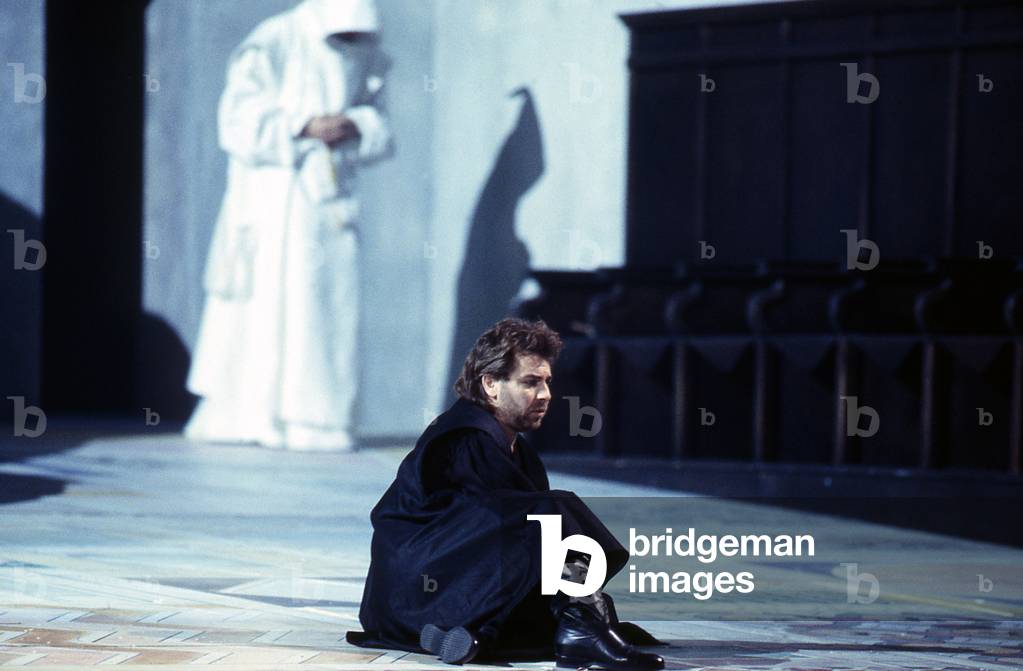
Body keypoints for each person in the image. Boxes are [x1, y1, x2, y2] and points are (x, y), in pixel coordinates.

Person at [347, 319, 665, 670]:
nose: (545, 394)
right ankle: (568, 627)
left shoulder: (517, 450)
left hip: (446, 581)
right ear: (490, 385)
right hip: (414, 591)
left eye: (546, 382)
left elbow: (519, 554)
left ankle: (498, 633)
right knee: (555, 512)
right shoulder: (466, 440)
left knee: (552, 537)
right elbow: (499, 543)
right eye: (530, 383)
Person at [185, 0, 392, 451]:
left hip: (331, 202)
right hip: (274, 199)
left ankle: (323, 418)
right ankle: (260, 416)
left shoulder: (365, 49)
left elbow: (380, 122)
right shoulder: (273, 40)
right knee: (274, 305)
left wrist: (354, 125)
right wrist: (303, 125)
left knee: (329, 308)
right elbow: (236, 120)